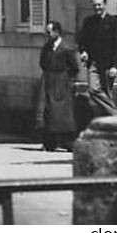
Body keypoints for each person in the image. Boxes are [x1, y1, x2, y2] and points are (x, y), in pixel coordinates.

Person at [76, 0, 117, 118]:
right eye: (95, 5)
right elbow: (82, 41)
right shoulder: (89, 22)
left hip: (108, 65)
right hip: (93, 63)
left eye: (99, 5)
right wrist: (83, 52)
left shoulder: (113, 22)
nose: (97, 7)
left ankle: (108, 121)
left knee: (107, 93)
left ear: (105, 5)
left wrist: (115, 66)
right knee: (93, 90)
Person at [38, 20, 79, 151]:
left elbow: (74, 67)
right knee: (48, 111)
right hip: (49, 80)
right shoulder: (46, 48)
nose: (47, 35)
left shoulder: (66, 48)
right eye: (46, 33)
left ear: (57, 32)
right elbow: (42, 63)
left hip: (62, 82)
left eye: (49, 32)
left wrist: (68, 81)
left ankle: (68, 142)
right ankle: (49, 143)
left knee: (64, 114)